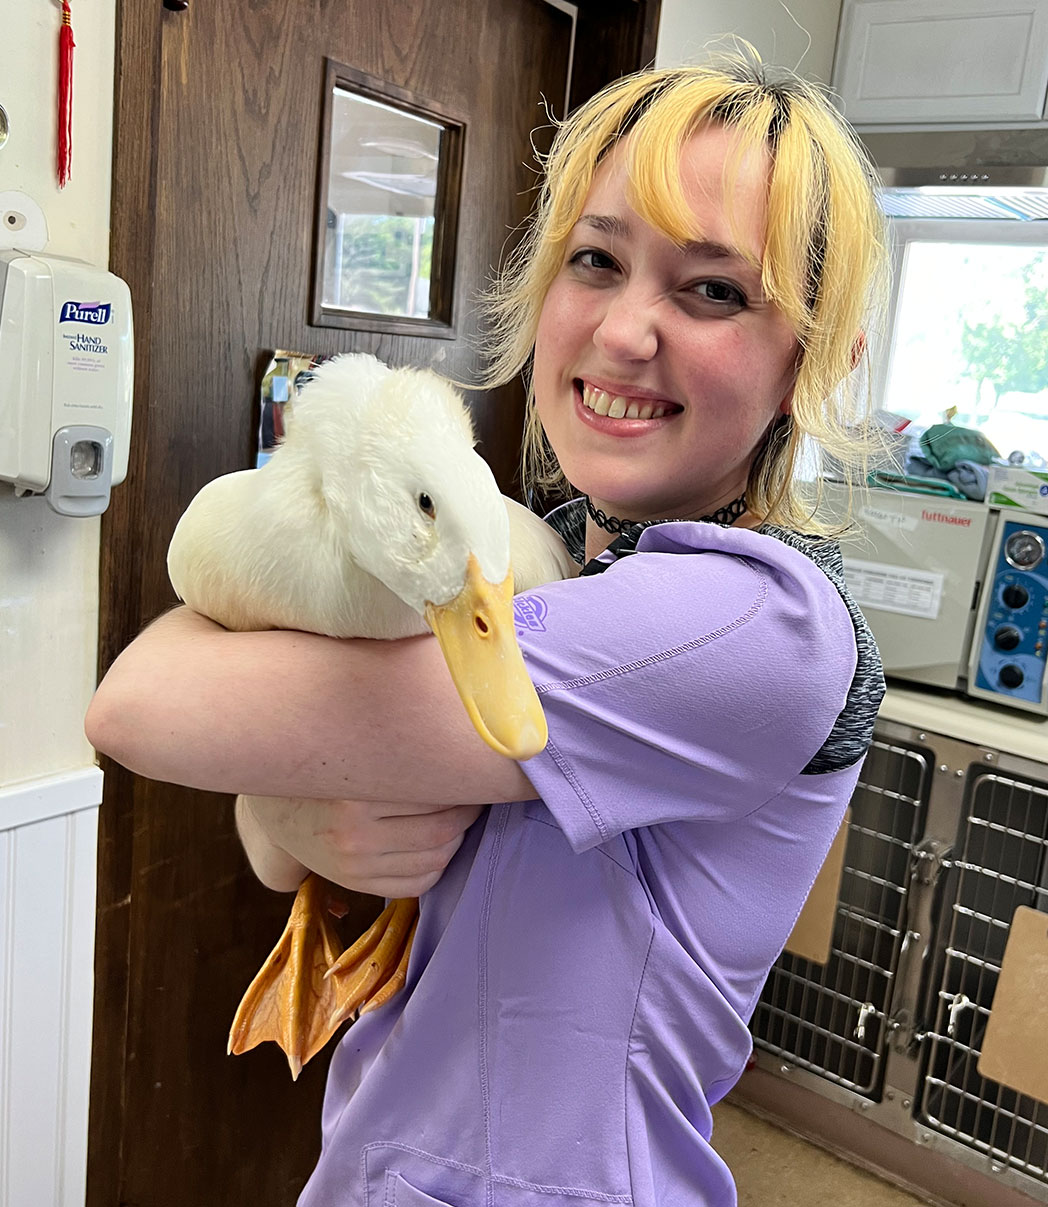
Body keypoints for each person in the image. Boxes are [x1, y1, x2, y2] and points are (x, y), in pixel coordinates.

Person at [86, 45, 889, 1207]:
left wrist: (273, 766)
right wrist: (284, 806)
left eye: (712, 290)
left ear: (815, 358)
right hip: (377, 1153)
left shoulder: (754, 623)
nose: (623, 332)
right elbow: (281, 830)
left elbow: (138, 704)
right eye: (595, 260)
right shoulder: (544, 548)